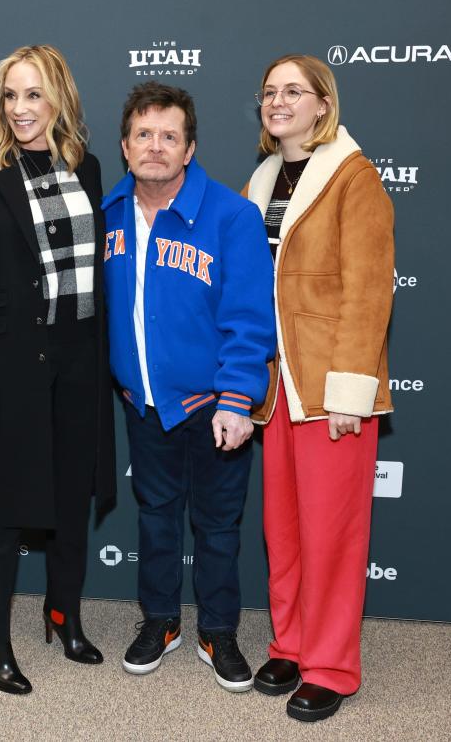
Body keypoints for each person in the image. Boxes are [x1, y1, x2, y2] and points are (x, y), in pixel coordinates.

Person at [0, 44, 116, 695]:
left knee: (71, 497)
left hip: (79, 357)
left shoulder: (90, 168)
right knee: (0, 511)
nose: (20, 109)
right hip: (10, 361)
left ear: (58, 100)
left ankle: (63, 615)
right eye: (10, 96)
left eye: (32, 95)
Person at [102, 82, 275, 691]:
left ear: (190, 147)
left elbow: (251, 317)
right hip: (143, 404)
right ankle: (161, 621)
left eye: (169, 136)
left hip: (213, 406)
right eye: (144, 135)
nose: (155, 147)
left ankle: (219, 630)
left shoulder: (232, 215)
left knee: (218, 524)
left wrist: (236, 399)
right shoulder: (109, 214)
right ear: (125, 147)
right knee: (155, 516)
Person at [244, 54, 394, 722]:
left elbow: (367, 293)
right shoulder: (263, 177)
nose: (278, 101)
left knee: (331, 534)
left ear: (322, 105)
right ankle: (291, 642)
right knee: (285, 528)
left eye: (293, 91)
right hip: (276, 385)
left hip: (328, 386)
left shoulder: (353, 178)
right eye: (269, 92)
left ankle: (331, 665)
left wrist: (349, 392)